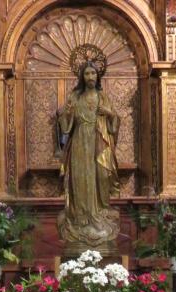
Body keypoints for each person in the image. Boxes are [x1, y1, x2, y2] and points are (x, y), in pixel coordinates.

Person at [56, 61, 120, 255]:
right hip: (79, 142)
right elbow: (65, 125)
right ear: (82, 77)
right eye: (87, 74)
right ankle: (81, 218)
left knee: (100, 176)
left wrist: (108, 113)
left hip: (98, 143)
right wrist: (65, 115)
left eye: (93, 73)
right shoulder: (75, 97)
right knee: (80, 178)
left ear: (97, 76)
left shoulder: (103, 97)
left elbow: (114, 122)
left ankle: (98, 214)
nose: (90, 77)